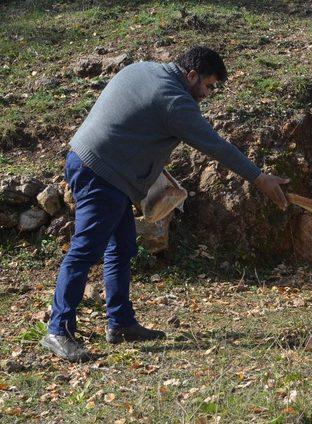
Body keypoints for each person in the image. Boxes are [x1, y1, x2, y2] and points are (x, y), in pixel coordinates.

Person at [40, 46, 289, 362]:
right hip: (101, 173)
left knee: (122, 248)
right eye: (209, 86)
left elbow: (130, 121)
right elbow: (216, 146)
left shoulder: (144, 69)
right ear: (192, 75)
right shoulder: (175, 100)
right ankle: (58, 329)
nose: (209, 94)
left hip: (94, 164)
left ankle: (121, 324)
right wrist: (260, 178)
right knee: (85, 250)